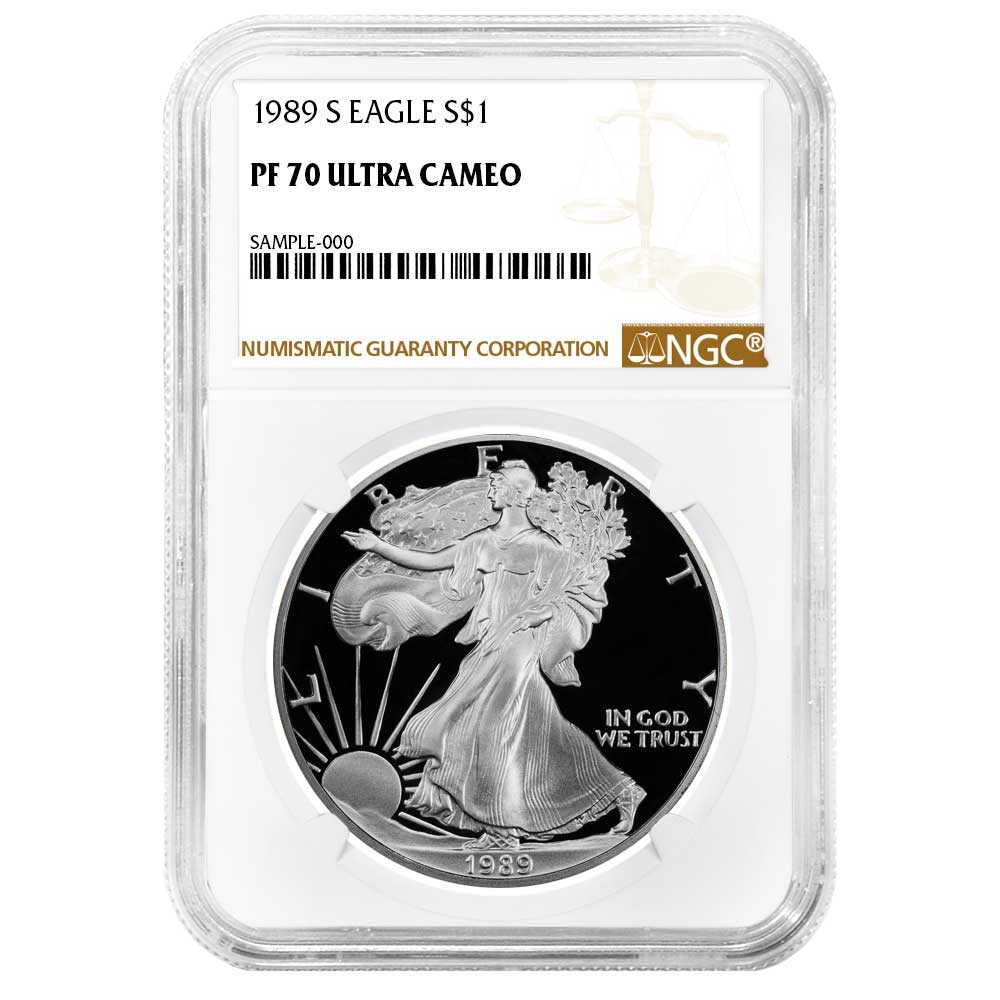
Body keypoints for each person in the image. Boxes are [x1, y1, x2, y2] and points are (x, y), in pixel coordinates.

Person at [343, 459, 645, 850]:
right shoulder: (483, 541)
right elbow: (433, 561)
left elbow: (572, 592)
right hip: (490, 641)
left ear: (517, 494)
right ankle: (623, 790)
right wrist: (378, 546)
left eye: (496, 484)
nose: (489, 490)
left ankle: (502, 831)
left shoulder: (544, 547)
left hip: (520, 642)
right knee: (541, 728)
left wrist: (542, 612)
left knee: (491, 726)